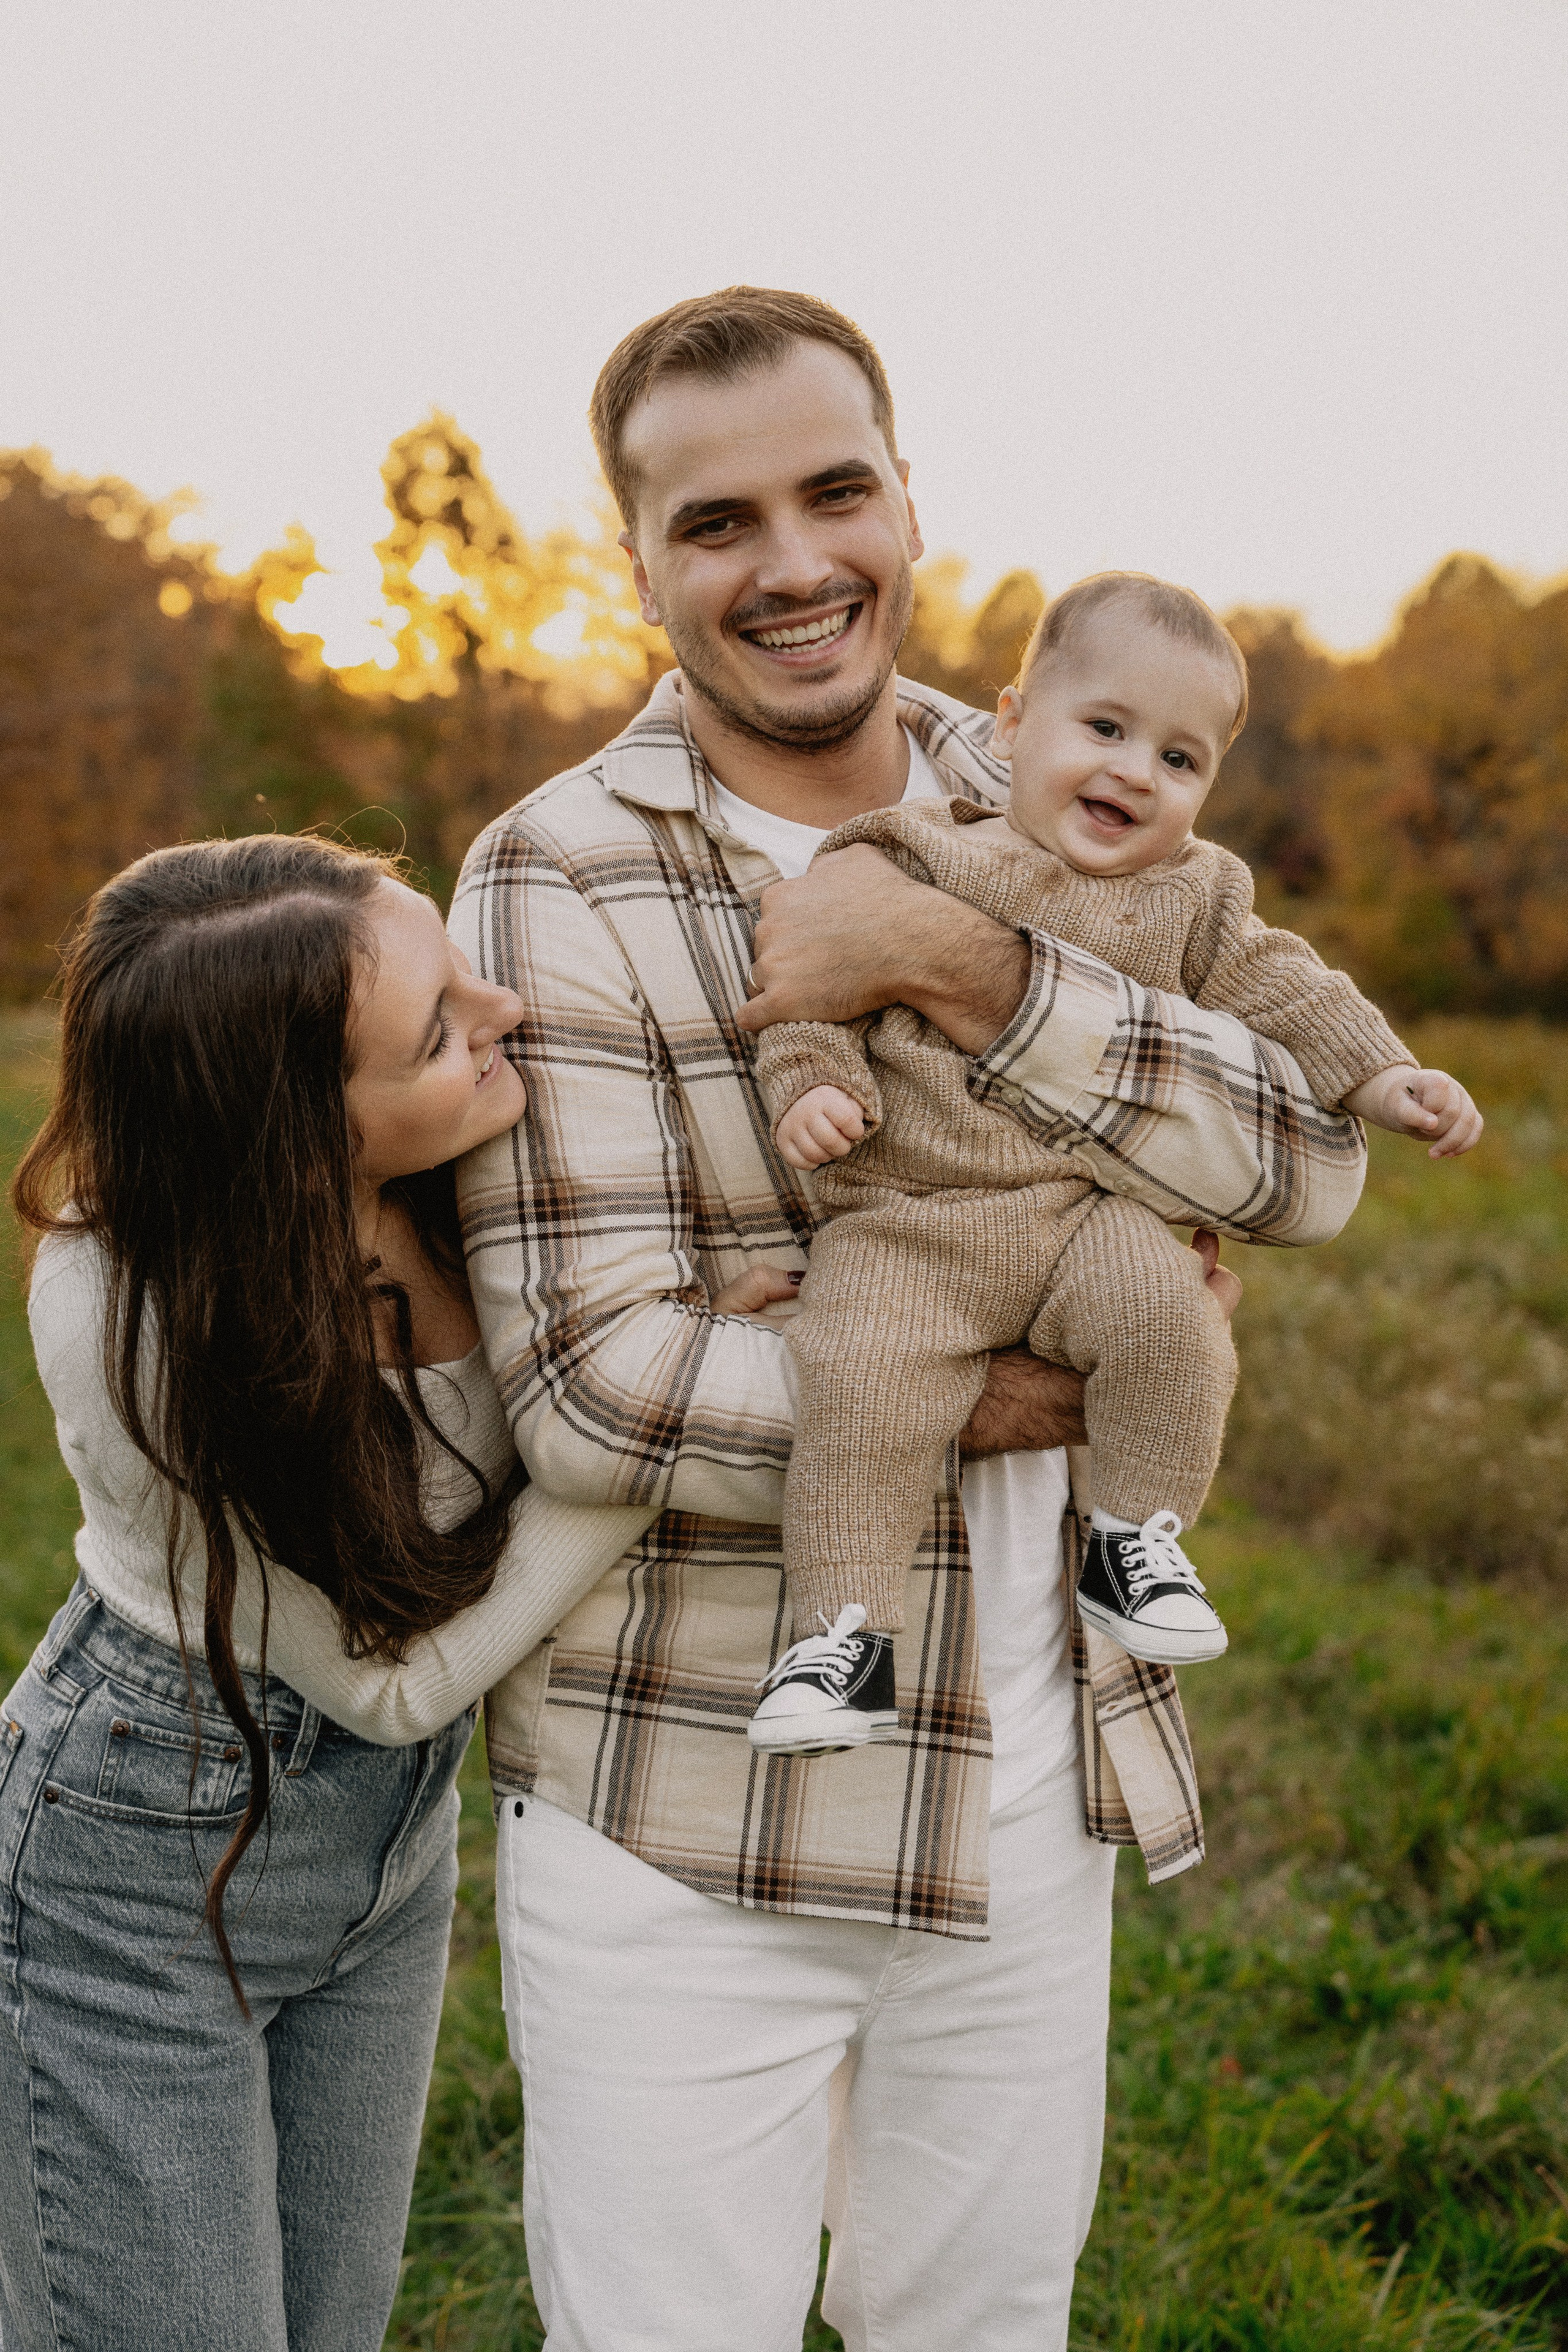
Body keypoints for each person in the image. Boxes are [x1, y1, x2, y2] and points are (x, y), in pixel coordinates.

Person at [451, 286, 1371, 2352]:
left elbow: (1312, 1159)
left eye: (835, 489)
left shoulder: (1076, 775)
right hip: (685, 1821)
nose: (793, 564)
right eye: (718, 522)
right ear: (641, 562)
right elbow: (596, 1384)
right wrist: (1007, 1392)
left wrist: (980, 980)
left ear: (910, 501)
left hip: (1028, 1790)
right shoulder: (554, 874)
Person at [0, 834, 667, 2352]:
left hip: (387, 1848)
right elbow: (390, 1683)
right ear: (294, 1136)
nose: (501, 1014)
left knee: (327, 2330)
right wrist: (648, 1447)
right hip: (139, 1857)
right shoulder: (130, 1315)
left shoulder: (473, 1166)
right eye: (437, 1030)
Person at [749, 570, 1482, 1751]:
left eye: (1180, 760)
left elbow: (1285, 988)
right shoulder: (914, 853)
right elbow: (805, 1000)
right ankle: (843, 1637)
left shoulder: (1195, 897)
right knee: (858, 1377)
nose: (1138, 772)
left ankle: (1135, 1544)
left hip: (1087, 1218)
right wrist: (814, 1088)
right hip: (909, 1219)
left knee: (1174, 1319)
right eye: (1106, 729)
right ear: (1013, 722)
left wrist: (1383, 1076)